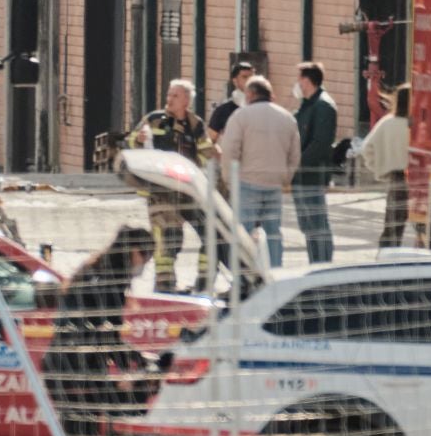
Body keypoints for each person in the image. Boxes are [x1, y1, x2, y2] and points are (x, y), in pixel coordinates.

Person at [40, 223, 154, 436]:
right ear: (132, 252)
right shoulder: (105, 280)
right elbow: (104, 335)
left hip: (72, 371)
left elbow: (105, 336)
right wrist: (134, 366)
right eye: (145, 256)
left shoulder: (98, 273)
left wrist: (134, 361)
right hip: (75, 375)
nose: (144, 264)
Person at [125, 79, 213, 290]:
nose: (169, 99)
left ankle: (204, 280)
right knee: (168, 237)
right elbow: (131, 142)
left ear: (186, 101)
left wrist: (197, 170)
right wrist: (138, 139)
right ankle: (164, 282)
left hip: (188, 191)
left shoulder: (195, 124)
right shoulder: (154, 120)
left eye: (175, 96)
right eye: (168, 95)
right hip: (160, 192)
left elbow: (206, 153)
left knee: (209, 232)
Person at [218, 74, 300, 270]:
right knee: (273, 233)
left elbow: (229, 151)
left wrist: (230, 181)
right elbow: (294, 154)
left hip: (247, 183)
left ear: (250, 94)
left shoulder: (240, 117)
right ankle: (275, 273)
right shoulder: (287, 118)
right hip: (274, 184)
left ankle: (241, 275)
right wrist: (285, 178)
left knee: (242, 233)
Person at [292, 60, 337, 263]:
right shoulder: (308, 105)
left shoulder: (323, 106)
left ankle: (322, 264)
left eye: (299, 78)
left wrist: (296, 165)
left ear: (307, 81)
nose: (297, 83)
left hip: (312, 175)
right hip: (302, 176)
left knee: (317, 225)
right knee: (308, 225)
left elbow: (320, 143)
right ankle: (315, 263)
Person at [360, 83, 411, 250]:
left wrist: (378, 167)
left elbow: (366, 148)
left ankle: (387, 255)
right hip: (419, 176)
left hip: (396, 177)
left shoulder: (387, 122)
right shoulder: (416, 124)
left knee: (393, 224)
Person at [207, 60, 254, 144]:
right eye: (244, 77)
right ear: (235, 81)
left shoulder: (262, 107)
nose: (249, 81)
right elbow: (209, 142)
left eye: (252, 77)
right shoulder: (223, 110)